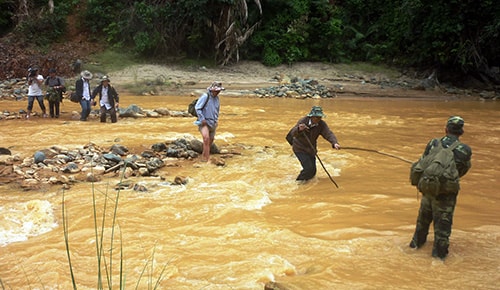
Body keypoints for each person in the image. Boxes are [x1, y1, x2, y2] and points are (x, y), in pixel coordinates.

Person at [409, 116, 472, 260]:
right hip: (446, 194)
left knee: (422, 224)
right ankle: (438, 260)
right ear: (461, 132)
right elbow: (462, 170)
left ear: (446, 129)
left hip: (428, 189)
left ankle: (414, 249)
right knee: (442, 231)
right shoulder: (465, 150)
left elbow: (423, 162)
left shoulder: (433, 143)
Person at [288, 106, 340, 182]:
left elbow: (328, 133)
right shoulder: (303, 121)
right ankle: (298, 182)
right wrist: (299, 129)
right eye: (317, 117)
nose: (318, 119)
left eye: (320, 117)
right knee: (308, 168)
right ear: (311, 116)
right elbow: (293, 133)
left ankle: (306, 183)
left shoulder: (321, 124)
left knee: (313, 172)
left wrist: (334, 143)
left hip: (311, 149)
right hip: (300, 148)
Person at [195, 81, 224, 162]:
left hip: (213, 122)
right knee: (206, 139)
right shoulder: (205, 96)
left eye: (219, 91)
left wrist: (216, 120)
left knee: (210, 141)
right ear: (212, 90)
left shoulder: (217, 99)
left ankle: (204, 156)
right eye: (217, 90)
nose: (218, 92)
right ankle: (207, 159)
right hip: (204, 122)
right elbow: (197, 108)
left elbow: (216, 110)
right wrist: (202, 119)